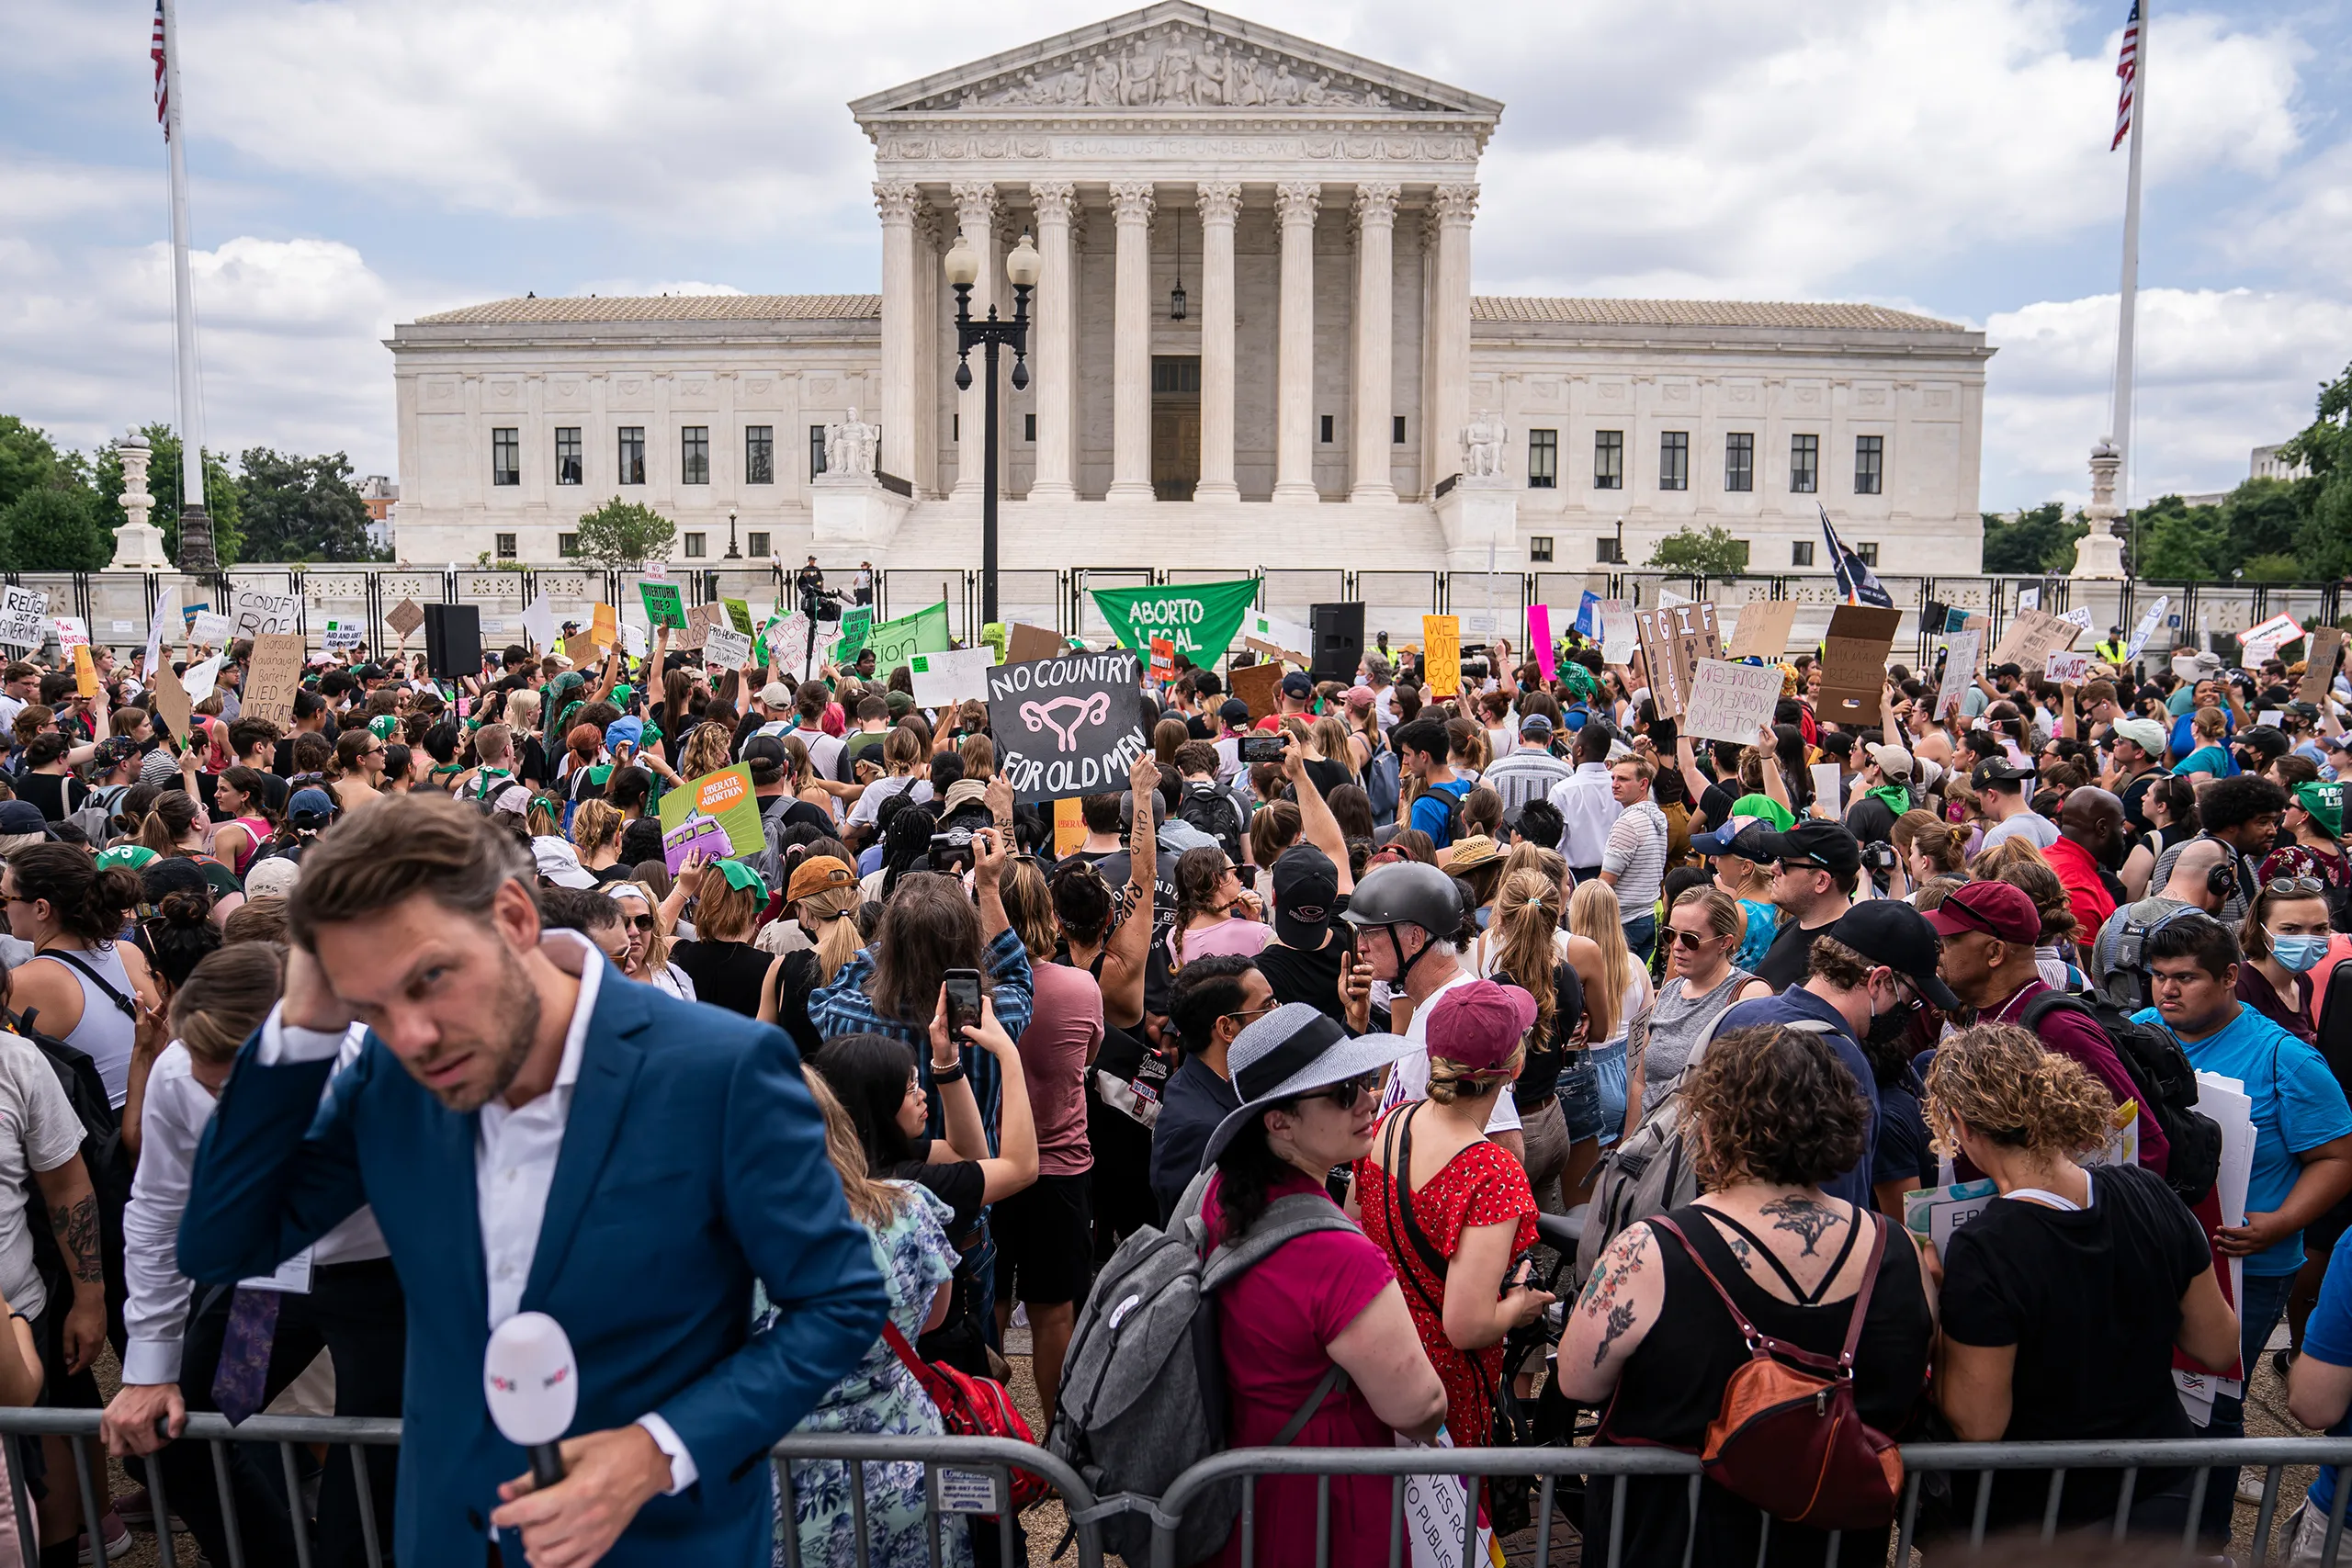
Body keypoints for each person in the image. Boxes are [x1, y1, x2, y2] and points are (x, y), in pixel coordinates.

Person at [175, 795, 889, 1568]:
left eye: (431, 978)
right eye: (370, 1006)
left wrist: (660, 1448)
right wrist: (299, 1027)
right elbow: (224, 1237)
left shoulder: (721, 1067)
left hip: (656, 1540)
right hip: (446, 1533)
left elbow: (838, 1298)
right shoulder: (390, 1071)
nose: (411, 1033)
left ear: (515, 918)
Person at [1560, 1023, 1935, 1566]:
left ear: (1714, 1124)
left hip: (1672, 1539)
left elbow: (1575, 1380)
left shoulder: (1648, 1251)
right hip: (1828, 1546)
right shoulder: (1900, 1253)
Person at [103, 943, 402, 1568]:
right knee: (168, 1437)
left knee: (367, 1495)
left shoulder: (378, 1068)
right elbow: (157, 1211)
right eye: (218, 1094)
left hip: (383, 1284)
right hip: (272, 1280)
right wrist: (149, 1363)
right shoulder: (179, 1070)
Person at [1926, 1021, 2239, 1538]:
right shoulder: (2146, 1192)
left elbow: (1977, 1423)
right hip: (2162, 1492)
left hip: (2046, 1516)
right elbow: (2217, 1345)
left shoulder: (1986, 1248)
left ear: (1961, 1124)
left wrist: (1933, 1312)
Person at [1192, 1003, 1444, 1568]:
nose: (1367, 1099)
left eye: (1363, 1082)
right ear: (1277, 1121)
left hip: (1242, 1493)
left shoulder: (1219, 1193)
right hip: (1326, 1509)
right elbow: (1421, 1405)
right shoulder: (1338, 1255)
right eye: (1341, 1092)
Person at [2131, 909, 2352, 1509]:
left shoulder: (2288, 1060)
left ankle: (2204, 1532)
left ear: (2230, 975)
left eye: (2185, 977)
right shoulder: (2138, 1033)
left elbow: (2337, 1158)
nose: (2167, 990)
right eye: (2157, 975)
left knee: (2215, 1403)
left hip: (2245, 1269)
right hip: (2152, 1257)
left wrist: (2278, 1224)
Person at [1353, 980, 1551, 1449]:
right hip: (1445, 1386)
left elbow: (1356, 1232)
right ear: (1515, 1068)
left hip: (1381, 1356)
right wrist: (1520, 1306)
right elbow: (1467, 1325)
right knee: (1450, 1517)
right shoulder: (1491, 1172)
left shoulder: (1391, 1122)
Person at [1928, 878, 2172, 1176]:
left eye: (1949, 941)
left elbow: (2146, 1147)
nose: (1939, 952)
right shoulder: (1987, 1012)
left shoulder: (2059, 1028)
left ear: (1994, 953)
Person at [990, 857, 1102, 1435]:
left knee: (986, 1306)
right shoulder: (1080, 987)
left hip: (986, 1167)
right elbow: (1088, 1060)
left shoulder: (968, 993)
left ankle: (988, 1428)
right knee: (1055, 1312)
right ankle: (1059, 1439)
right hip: (1059, 1168)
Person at [1354, 861, 1526, 1162]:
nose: (1361, 946)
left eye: (1369, 933)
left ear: (1415, 938)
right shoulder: (1430, 1000)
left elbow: (1506, 1150)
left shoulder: (1461, 1015)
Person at [2, 841, 158, 1105]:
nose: (3, 909)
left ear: (41, 908)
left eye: (4, 898)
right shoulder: (127, 953)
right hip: (155, 1115)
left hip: (96, 1137)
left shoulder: (20, 983)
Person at [1623, 887, 1771, 1134]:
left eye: (1690, 939)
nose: (1677, 947)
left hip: (1696, 1154)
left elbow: (1749, 1096)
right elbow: (1641, 1080)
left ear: (1725, 942)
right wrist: (1629, 1143)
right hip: (1649, 1144)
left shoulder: (1749, 996)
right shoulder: (1670, 991)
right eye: (1670, 935)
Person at [1148, 955, 1270, 1221]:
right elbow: (1197, 1235)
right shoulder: (1199, 1131)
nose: (1278, 1013)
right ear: (1227, 1028)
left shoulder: (1238, 1077)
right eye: (1267, 1007)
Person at [1568, 880, 1649, 1151]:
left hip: (1588, 1076)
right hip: (1630, 1074)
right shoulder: (1636, 965)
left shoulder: (1570, 970)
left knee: (1585, 1175)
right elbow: (1646, 1027)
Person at [2148, 773, 2289, 925]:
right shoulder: (2181, 854)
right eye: (2263, 822)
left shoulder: (2243, 857)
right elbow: (2174, 926)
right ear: (2231, 824)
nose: (2272, 831)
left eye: (2273, 822)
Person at [1745, 820, 1860, 991]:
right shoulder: (1794, 924)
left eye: (1785, 863)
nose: (1774, 869)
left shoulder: (1840, 954)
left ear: (1821, 881)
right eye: (1777, 860)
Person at [661, 853, 778, 1017]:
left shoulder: (678, 952)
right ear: (756, 916)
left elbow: (651, 936)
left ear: (705, 906)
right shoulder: (773, 966)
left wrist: (684, 886)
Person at [2239, 875, 2335, 1043]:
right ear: (2261, 931)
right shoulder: (2239, 985)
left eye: (2320, 928)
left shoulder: (2303, 982)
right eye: (2291, 929)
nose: (2307, 939)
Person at [1600, 754, 1668, 961]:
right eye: (1613, 778)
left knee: (1618, 987)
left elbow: (1607, 881)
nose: (1615, 784)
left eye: (1623, 779)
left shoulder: (1628, 823)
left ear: (1643, 784)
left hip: (1626, 921)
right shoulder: (1656, 817)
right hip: (1648, 917)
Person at [2046, 785, 2127, 940]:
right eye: (2121, 825)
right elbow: (2083, 962)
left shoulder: (2040, 856)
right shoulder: (2080, 890)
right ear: (2102, 828)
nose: (2124, 832)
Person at [1546, 719, 1622, 882]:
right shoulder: (1620, 785)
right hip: (1615, 872)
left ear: (1579, 751)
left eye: (1573, 743)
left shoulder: (1562, 791)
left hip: (1579, 876)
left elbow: (1555, 841)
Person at [605, 880, 696, 999]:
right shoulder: (590, 982)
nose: (634, 931)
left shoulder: (673, 975)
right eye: (623, 922)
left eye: (643, 922)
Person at [1482, 712, 1572, 816]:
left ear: (1521, 737)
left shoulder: (1495, 769)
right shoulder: (1565, 772)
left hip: (1504, 831)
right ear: (1550, 740)